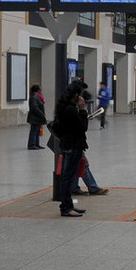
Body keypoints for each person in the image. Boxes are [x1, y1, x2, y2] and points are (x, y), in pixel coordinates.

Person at [53, 84, 90, 217]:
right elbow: (83, 127)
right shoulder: (71, 110)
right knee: (67, 178)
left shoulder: (64, 108)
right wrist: (83, 110)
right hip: (73, 146)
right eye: (80, 94)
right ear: (75, 95)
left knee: (67, 177)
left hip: (67, 145)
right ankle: (66, 208)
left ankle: (68, 205)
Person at [27, 84, 47, 149]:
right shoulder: (34, 97)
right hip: (35, 117)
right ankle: (31, 145)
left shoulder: (37, 96)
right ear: (38, 90)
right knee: (34, 131)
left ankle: (36, 144)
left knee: (37, 131)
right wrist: (41, 114)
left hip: (37, 117)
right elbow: (34, 107)